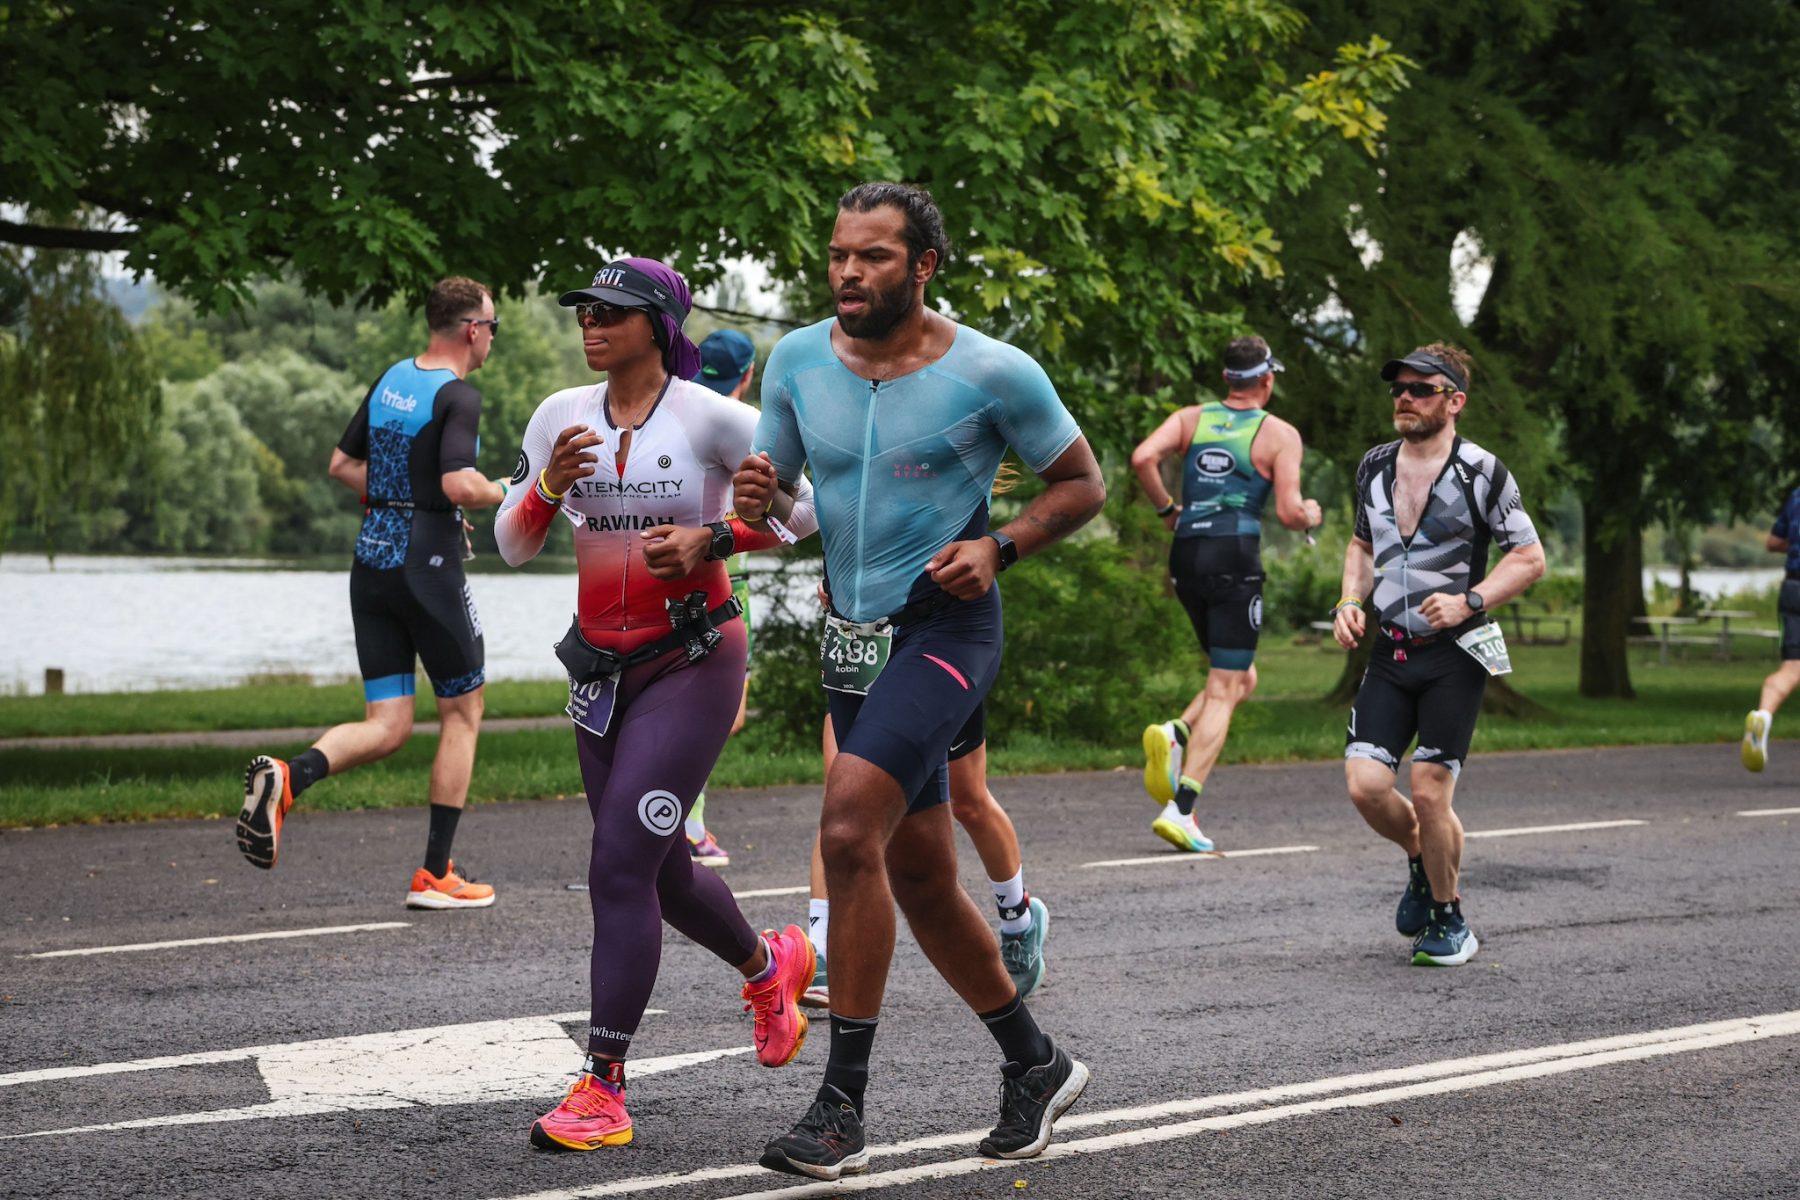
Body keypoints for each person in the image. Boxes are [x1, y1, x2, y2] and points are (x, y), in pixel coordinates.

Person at [735, 182, 1106, 1181]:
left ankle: (841, 1108)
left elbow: (1083, 483)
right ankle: (1036, 1063)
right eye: (838, 255)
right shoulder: (799, 359)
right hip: (852, 640)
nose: (849, 272)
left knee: (847, 829)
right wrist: (758, 501)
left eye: (874, 256)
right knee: (922, 879)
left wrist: (1003, 546)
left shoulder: (995, 372)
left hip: (947, 626)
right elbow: (783, 503)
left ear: (923, 265)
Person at [493, 257, 819, 1151]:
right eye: (585, 309)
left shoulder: (712, 416)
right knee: (657, 868)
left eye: (611, 311)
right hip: (599, 672)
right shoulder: (560, 415)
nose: (591, 322)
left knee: (617, 867)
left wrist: (717, 533)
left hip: (694, 660)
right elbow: (512, 543)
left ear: (658, 323)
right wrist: (550, 486)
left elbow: (809, 514)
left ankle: (603, 1088)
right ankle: (769, 968)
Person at [236, 276, 509, 909]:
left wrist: (409, 499)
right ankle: (436, 874)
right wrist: (520, 487)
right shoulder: (459, 395)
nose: (491, 337)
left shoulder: (392, 379)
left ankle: (289, 775)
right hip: (429, 569)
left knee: (387, 724)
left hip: (372, 565)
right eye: (492, 326)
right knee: (463, 712)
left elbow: (342, 466)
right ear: (472, 329)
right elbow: (462, 484)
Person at [1331, 344, 1545, 967]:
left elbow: (1529, 557)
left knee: (1429, 791)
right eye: (1398, 387)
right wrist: (1349, 599)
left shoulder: (1482, 472)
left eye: (1421, 389)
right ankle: (1422, 862)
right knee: (1367, 786)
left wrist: (1470, 600)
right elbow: (1361, 545)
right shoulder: (1374, 465)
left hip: (1455, 655)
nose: (1404, 397)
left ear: (1455, 401)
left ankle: (1450, 919)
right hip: (1391, 653)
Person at [1130, 336, 1321, 852]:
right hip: (1234, 556)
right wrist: (1310, 513)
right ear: (1267, 380)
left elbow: (1143, 456)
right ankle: (1182, 809)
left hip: (1187, 555)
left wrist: (1168, 511)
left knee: (1241, 677)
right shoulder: (1278, 434)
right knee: (1224, 686)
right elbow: (1287, 512)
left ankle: (1177, 732)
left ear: (1227, 381)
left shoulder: (1191, 418)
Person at [684, 328, 760, 867]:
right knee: (721, 711)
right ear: (748, 375)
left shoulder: (679, 410)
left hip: (709, 577)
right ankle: (682, 823)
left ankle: (681, 819)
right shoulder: (750, 429)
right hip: (724, 582)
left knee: (713, 710)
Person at [1741, 483, 1800, 771]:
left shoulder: (1797, 495)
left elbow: (1774, 541)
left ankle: (1763, 715)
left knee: (1791, 668)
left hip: (1793, 588)